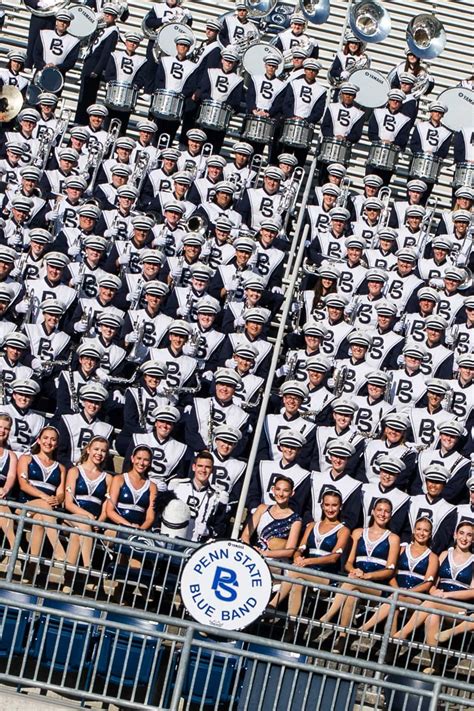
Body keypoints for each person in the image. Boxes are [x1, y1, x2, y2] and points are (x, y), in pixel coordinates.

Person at [386, 521, 473, 673]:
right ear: (455, 535)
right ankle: (435, 663)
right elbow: (432, 581)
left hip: (459, 609)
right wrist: (433, 591)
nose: (464, 538)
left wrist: (446, 595)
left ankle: (402, 634)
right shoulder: (445, 554)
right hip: (437, 601)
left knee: (432, 604)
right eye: (461, 533)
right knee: (432, 616)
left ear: (473, 539)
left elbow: (473, 591)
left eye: (469, 535)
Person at [318, 498, 400, 654]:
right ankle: (343, 638)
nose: (382, 514)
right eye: (379, 510)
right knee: (352, 595)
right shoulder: (358, 532)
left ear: (390, 515)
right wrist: (355, 570)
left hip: (377, 585)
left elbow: (389, 570)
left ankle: (327, 616)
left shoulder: (393, 538)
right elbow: (348, 563)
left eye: (386, 511)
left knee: (351, 583)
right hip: (357, 580)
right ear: (373, 512)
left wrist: (368, 576)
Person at [268, 490, 350, 641]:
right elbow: (300, 548)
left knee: (294, 573)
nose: (330, 509)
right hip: (304, 572)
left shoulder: (343, 530)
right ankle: (291, 628)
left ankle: (272, 605)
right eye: (327, 505)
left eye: (334, 505)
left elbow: (334, 557)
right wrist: (299, 557)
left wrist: (306, 562)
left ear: (340, 507)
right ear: (322, 506)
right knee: (298, 583)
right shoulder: (312, 525)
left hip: (326, 577)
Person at [353, 517, 438, 648]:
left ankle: (363, 628)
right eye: (419, 529)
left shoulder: (432, 557)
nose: (422, 533)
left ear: (430, 534)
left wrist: (407, 592)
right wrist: (398, 589)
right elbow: (391, 572)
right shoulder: (402, 549)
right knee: (395, 604)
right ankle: (391, 647)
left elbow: (427, 584)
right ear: (414, 531)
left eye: (426, 531)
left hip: (415, 597)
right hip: (397, 592)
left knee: (396, 599)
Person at [17, 426, 67, 583]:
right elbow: (23, 485)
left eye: (53, 439)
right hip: (25, 507)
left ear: (57, 444)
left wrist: (57, 500)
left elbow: (61, 493)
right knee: (44, 508)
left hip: (45, 513)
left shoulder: (60, 468)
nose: (48, 442)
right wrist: (45, 497)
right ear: (38, 440)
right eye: (45, 438)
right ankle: (59, 551)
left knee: (40, 520)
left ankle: (30, 570)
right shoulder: (27, 459)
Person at [63, 436, 112, 592]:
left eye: (103, 451)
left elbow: (106, 507)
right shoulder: (75, 471)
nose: (99, 453)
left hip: (92, 524)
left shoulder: (108, 478)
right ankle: (88, 569)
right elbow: (68, 503)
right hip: (72, 517)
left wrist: (99, 521)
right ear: (88, 450)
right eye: (96, 449)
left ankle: (68, 580)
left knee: (77, 534)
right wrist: (87, 516)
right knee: (82, 525)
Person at [241, 475, 302, 565]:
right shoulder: (262, 508)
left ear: (292, 493)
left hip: (275, 562)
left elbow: (289, 551)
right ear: (273, 490)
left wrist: (264, 553)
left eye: (285, 491)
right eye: (278, 489)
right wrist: (252, 550)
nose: (281, 494)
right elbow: (245, 535)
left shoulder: (296, 520)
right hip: (253, 555)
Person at [0, 414, 18, 570]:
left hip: (1, 495)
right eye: (0, 427)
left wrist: (5, 488)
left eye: (6, 428)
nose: (2, 431)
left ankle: (14, 545)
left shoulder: (11, 455)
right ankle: (14, 544)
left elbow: (11, 475)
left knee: (2, 507)